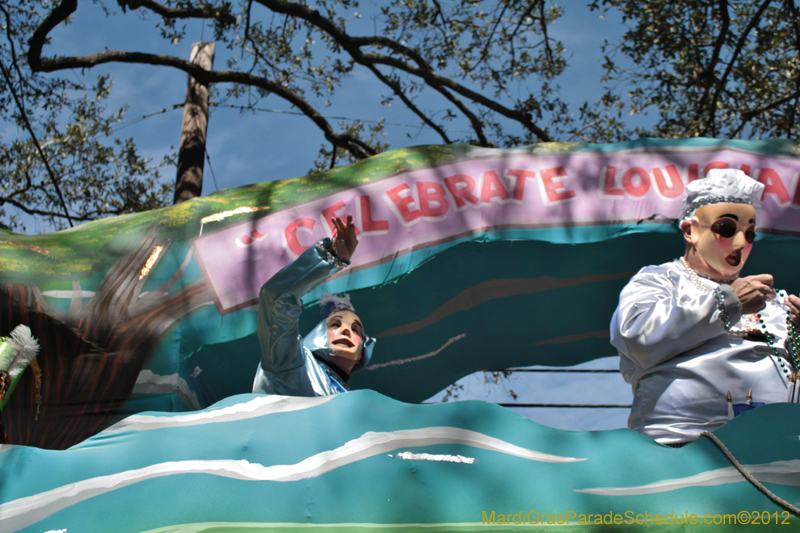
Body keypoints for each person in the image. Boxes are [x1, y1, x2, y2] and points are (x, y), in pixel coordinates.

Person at [610, 169, 800, 445]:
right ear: (690, 231)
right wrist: (727, 304)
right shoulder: (659, 279)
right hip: (681, 451)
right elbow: (636, 338)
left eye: (749, 234)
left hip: (775, 453)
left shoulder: (772, 302)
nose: (740, 243)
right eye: (726, 229)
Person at [253, 215, 376, 396]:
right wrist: (331, 258)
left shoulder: (359, 406)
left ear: (362, 354)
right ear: (317, 333)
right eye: (335, 324)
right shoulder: (290, 362)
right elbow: (276, 298)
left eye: (357, 330)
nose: (346, 331)